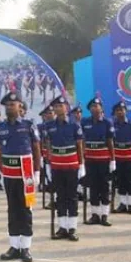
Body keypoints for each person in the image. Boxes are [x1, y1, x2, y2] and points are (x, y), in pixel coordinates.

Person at [0, 91, 41, 262]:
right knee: (12, 209)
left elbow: (37, 149)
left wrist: (37, 172)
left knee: (26, 209)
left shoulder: (29, 125)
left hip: (27, 173)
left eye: (12, 105)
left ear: (20, 107)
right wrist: (0, 171)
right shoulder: (1, 127)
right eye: (7, 105)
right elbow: (0, 150)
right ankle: (14, 246)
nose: (9, 107)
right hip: (9, 173)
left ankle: (26, 247)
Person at [45, 95, 84, 239]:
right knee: (60, 196)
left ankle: (72, 228)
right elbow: (48, 145)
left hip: (72, 165)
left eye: (60, 106)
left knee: (72, 196)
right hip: (57, 166)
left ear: (66, 108)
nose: (58, 109)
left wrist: (81, 165)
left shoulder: (74, 124)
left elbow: (79, 145)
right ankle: (62, 227)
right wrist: (49, 164)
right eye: (55, 107)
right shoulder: (50, 125)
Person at [80, 97, 115, 226]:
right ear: (89, 109)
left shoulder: (107, 122)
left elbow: (110, 142)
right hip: (90, 159)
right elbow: (82, 141)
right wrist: (82, 159)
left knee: (104, 186)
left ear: (101, 108)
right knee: (93, 186)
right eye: (92, 106)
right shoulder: (85, 122)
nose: (95, 108)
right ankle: (95, 215)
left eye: (97, 106)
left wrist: (112, 160)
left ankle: (104, 215)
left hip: (104, 159)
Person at [112, 101, 131, 214]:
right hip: (118, 157)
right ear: (115, 113)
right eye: (117, 110)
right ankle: (123, 204)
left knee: (130, 181)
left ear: (125, 111)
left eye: (122, 110)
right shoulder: (113, 125)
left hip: (130, 157)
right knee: (121, 181)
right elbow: (111, 141)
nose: (120, 112)